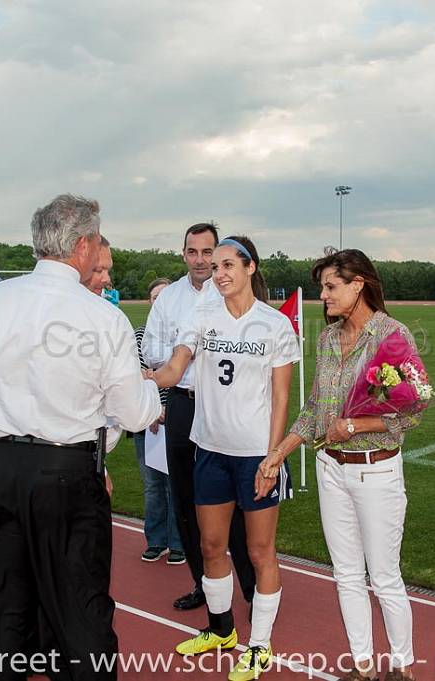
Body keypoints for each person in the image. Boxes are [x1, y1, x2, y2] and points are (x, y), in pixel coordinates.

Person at [0, 193, 162, 681]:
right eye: (97, 240)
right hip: (67, 478)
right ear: (82, 245)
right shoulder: (103, 317)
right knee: (81, 622)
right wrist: (152, 396)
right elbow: (130, 411)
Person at [264, 249, 422, 681]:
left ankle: (403, 668)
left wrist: (354, 425)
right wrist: (279, 451)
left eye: (331, 286)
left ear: (359, 285)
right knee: (346, 574)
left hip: (376, 470)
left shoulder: (392, 335)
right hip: (331, 470)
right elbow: (315, 407)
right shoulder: (328, 338)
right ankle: (363, 666)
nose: (324, 295)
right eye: (322, 287)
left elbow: (412, 409)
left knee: (385, 577)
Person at [150, 236, 299, 681]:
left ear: (251, 268)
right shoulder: (202, 316)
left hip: (254, 454)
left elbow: (281, 397)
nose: (219, 273)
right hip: (209, 450)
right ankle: (221, 629)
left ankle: (260, 644)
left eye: (229, 264)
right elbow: (176, 368)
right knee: (211, 545)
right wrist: (143, 378)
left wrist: (272, 458)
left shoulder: (274, 325)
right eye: (215, 266)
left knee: (258, 550)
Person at [142, 223, 258, 612]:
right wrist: (186, 356)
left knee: (236, 499)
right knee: (187, 500)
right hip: (182, 403)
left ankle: (252, 587)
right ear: (183, 254)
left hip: (223, 403)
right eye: (192, 252)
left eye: (208, 252)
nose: (201, 260)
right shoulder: (169, 299)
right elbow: (155, 353)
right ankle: (203, 584)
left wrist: (193, 356)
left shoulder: (229, 290)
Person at [133, 277, 185, 564]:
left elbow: (181, 376)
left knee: (175, 485)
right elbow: (137, 375)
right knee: (152, 485)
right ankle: (156, 540)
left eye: (164, 296)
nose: (159, 301)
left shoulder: (185, 333)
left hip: (177, 421)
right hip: (148, 422)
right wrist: (154, 409)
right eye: (155, 297)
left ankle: (179, 542)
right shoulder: (139, 335)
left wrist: (168, 410)